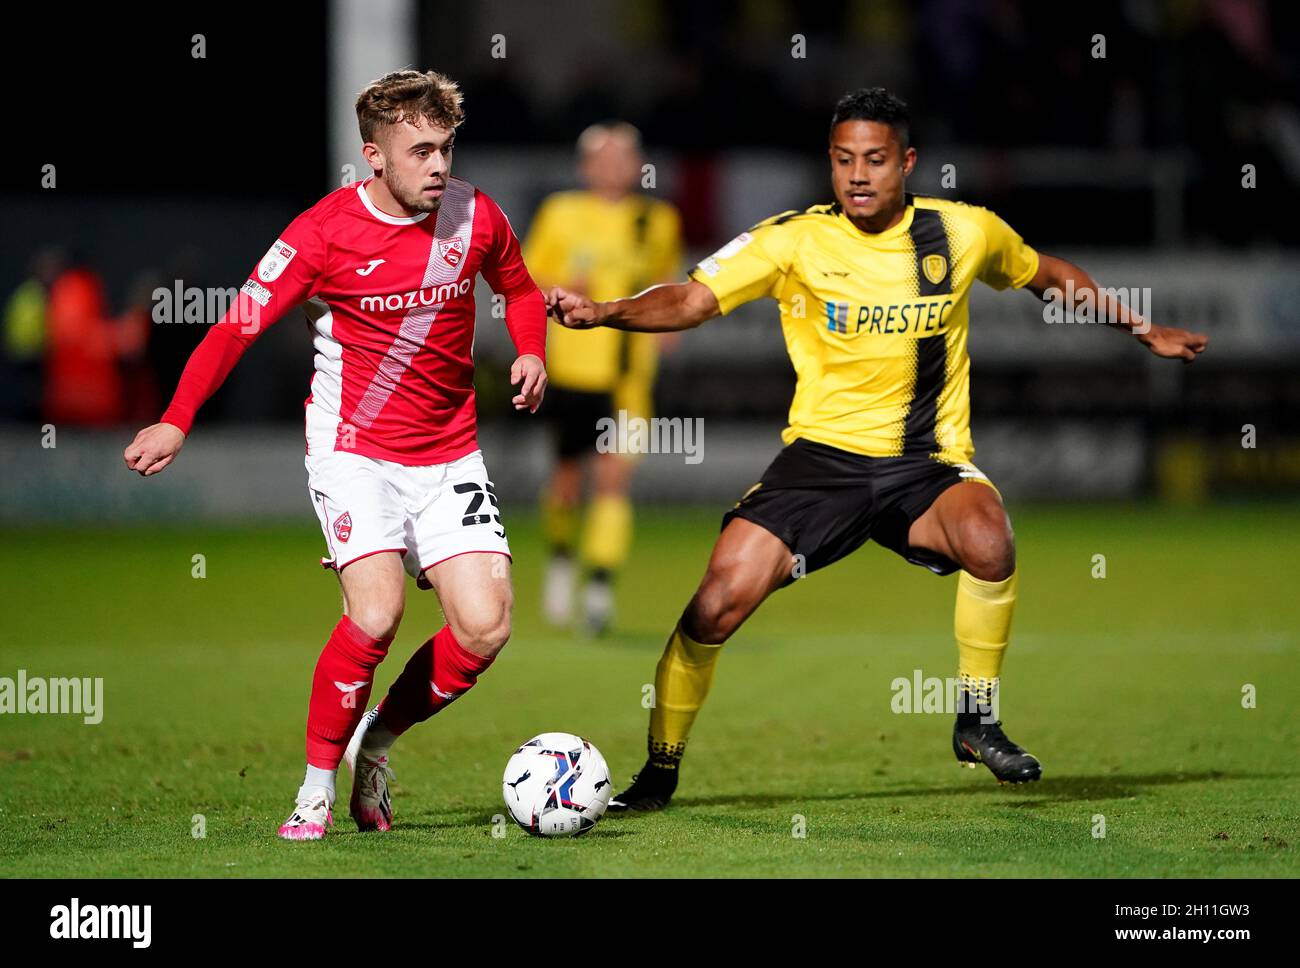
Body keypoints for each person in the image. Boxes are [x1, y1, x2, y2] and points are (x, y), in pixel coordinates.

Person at [547, 88, 1208, 811]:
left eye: (875, 159)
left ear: (907, 162)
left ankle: (976, 721)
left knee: (990, 538)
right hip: (820, 463)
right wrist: (607, 312)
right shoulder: (791, 238)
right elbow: (693, 300)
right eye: (843, 160)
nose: (858, 175)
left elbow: (1046, 274)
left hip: (924, 464)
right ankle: (660, 771)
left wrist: (1139, 328)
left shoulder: (964, 232)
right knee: (714, 607)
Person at [123, 69, 548, 839]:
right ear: (373, 156)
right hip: (355, 450)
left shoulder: (475, 216)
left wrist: (530, 350)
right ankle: (316, 787)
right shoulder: (320, 234)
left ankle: (375, 742)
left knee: (485, 626)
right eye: (420, 151)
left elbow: (519, 289)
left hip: (450, 452)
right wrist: (178, 419)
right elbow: (236, 327)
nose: (439, 166)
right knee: (377, 613)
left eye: (446, 148)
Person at [522, 122, 683, 634]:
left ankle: (598, 588)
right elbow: (522, 278)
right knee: (568, 483)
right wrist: (559, 286)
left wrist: (668, 320)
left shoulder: (656, 219)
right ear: (585, 166)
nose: (617, 166)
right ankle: (562, 557)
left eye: (626, 156)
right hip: (572, 370)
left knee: (614, 481)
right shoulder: (560, 212)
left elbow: (670, 282)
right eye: (606, 157)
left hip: (629, 375)